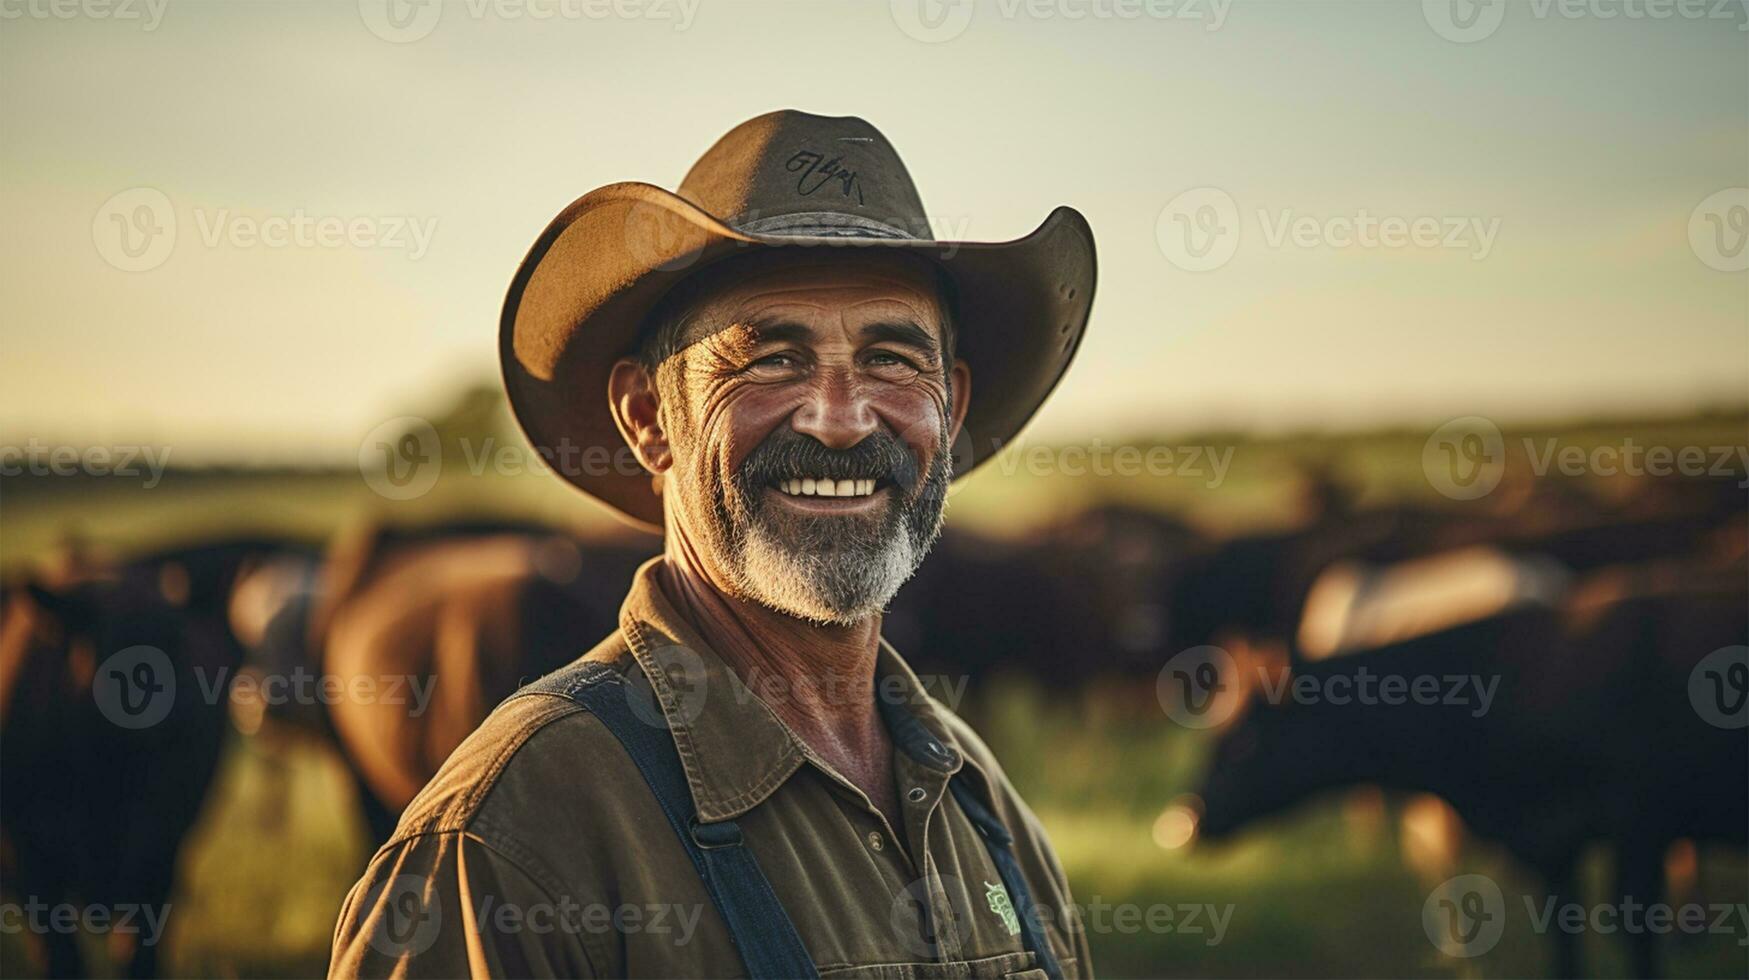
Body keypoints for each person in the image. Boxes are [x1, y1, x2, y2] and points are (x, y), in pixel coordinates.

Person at [330, 109, 1097, 978]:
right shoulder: (511, 836)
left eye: (890, 358)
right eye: (771, 359)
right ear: (649, 418)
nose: (841, 422)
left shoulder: (981, 805)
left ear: (948, 411)